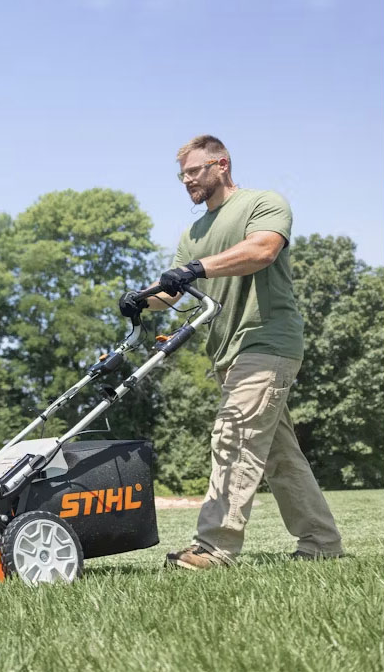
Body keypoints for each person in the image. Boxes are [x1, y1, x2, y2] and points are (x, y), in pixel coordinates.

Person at [118, 134, 343, 569]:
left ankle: (214, 547)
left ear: (221, 165)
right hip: (227, 352)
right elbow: (173, 290)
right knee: (280, 456)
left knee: (234, 436)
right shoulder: (194, 231)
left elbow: (262, 250)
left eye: (195, 171)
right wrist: (140, 298)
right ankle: (322, 543)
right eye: (182, 175)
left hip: (267, 340)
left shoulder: (263, 203)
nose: (187, 181)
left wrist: (196, 268)